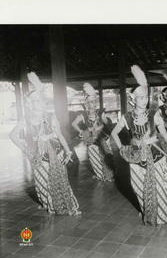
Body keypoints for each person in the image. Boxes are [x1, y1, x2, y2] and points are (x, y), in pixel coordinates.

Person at [111, 65, 167, 226]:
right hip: (136, 157)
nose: (144, 100)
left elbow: (163, 134)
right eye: (140, 98)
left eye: (145, 97)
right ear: (132, 100)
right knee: (138, 187)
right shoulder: (127, 117)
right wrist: (122, 148)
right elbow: (114, 133)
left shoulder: (154, 114)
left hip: (155, 155)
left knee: (162, 185)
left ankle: (166, 213)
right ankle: (147, 211)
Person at [9, 72, 81, 215]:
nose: (41, 104)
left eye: (42, 101)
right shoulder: (26, 120)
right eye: (37, 101)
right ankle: (47, 203)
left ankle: (66, 206)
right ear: (32, 103)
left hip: (55, 153)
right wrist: (26, 149)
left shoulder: (50, 117)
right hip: (38, 156)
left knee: (60, 180)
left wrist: (68, 151)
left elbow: (59, 134)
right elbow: (13, 136)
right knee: (42, 182)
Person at [72, 83, 114, 181]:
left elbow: (107, 123)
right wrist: (82, 131)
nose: (93, 104)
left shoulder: (100, 112)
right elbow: (74, 124)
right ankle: (100, 175)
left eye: (94, 102)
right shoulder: (83, 115)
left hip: (102, 138)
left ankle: (110, 175)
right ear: (86, 104)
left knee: (106, 156)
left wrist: (104, 120)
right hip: (91, 139)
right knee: (94, 158)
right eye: (91, 102)